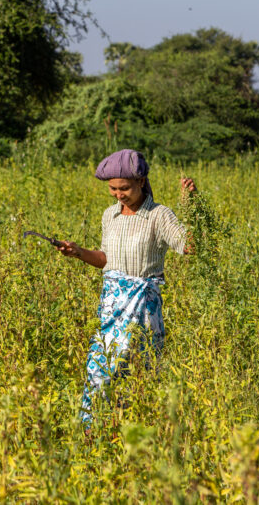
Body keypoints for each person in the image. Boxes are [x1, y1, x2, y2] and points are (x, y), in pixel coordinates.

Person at [56, 149, 196, 426]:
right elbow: (106, 260)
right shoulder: (110, 215)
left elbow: (189, 246)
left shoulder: (159, 215)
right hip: (112, 305)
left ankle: (137, 432)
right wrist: (78, 252)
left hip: (143, 306)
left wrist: (191, 203)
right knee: (100, 369)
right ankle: (94, 430)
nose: (118, 194)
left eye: (124, 188)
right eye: (113, 189)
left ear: (141, 182)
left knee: (137, 372)